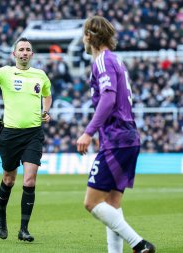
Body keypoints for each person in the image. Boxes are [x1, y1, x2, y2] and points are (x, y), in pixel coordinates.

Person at [76, 16, 156, 253]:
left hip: (117, 138)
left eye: (84, 34)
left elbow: (109, 98)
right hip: (128, 138)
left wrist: (89, 132)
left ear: (89, 36)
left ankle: (139, 244)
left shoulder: (102, 61)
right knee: (112, 204)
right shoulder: (117, 60)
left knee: (91, 203)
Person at [0, 32, 52, 242]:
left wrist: (45, 110)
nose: (24, 52)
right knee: (9, 179)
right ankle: (1, 214)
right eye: (21, 49)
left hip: (33, 134)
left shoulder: (40, 75)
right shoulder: (5, 73)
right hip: (10, 134)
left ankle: (24, 229)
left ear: (32, 54)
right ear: (14, 53)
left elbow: (47, 95)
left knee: (29, 180)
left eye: (27, 49)